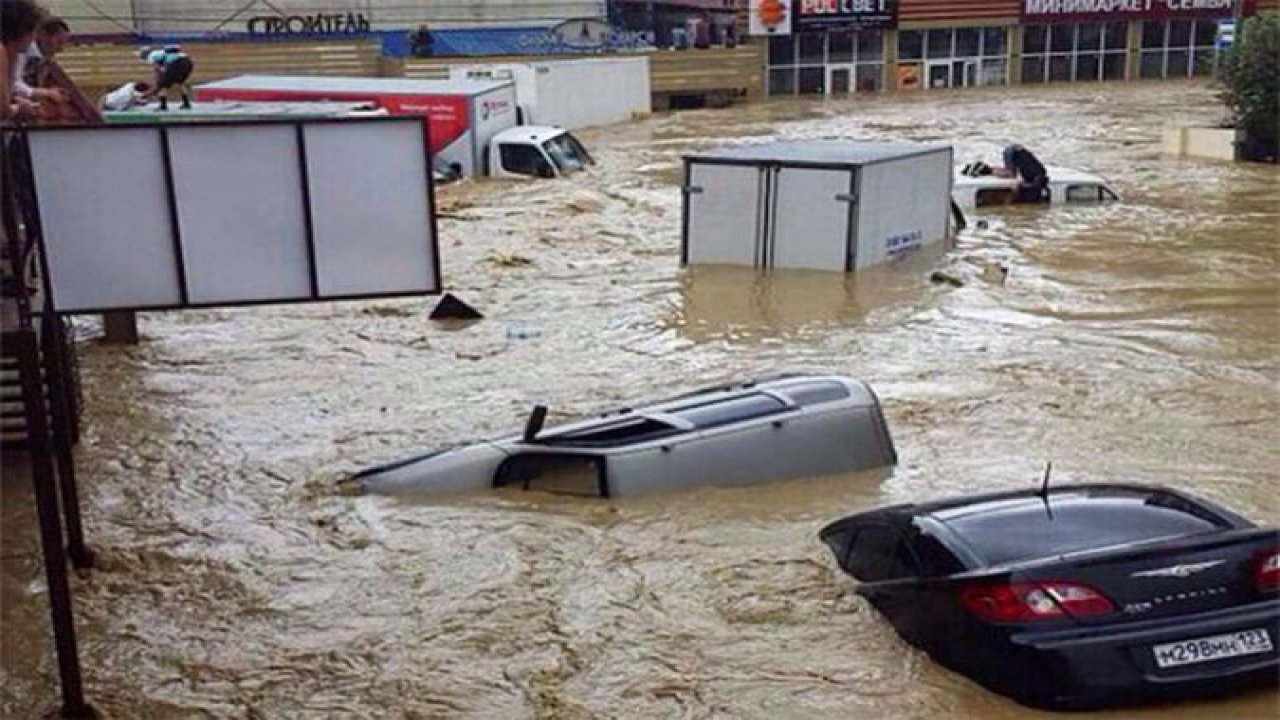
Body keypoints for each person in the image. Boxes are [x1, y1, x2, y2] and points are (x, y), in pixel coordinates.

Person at [21, 17, 101, 124]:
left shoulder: (45, 62)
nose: (60, 49)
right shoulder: (31, 59)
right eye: (59, 42)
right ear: (43, 35)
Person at [2, 0, 46, 122]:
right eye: (33, 32)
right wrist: (19, 108)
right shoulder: (3, 53)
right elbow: (2, 110)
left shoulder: (12, 54)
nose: (34, 38)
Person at [138, 44, 194, 111]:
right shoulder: (160, 53)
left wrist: (158, 82)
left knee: (163, 85)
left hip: (177, 63)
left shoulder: (151, 55)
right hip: (188, 63)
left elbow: (158, 69)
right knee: (179, 83)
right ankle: (186, 103)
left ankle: (163, 106)